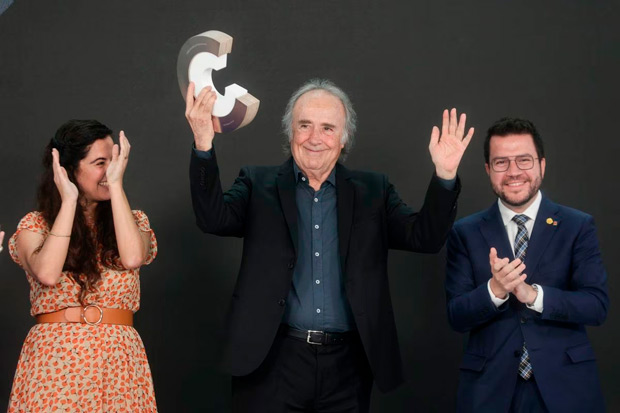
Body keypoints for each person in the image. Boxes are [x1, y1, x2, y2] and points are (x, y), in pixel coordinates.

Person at [186, 78, 473, 411]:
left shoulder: (373, 190)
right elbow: (213, 219)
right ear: (290, 132)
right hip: (270, 361)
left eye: (327, 128)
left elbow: (424, 238)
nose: (314, 138)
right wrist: (203, 145)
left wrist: (445, 176)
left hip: (348, 365)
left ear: (344, 137)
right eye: (304, 125)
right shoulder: (256, 183)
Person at [445, 118, 608, 412]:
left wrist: (533, 295)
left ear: (541, 165)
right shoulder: (465, 232)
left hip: (566, 388)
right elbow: (456, 317)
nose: (513, 172)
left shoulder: (577, 226)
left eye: (524, 160)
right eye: (501, 163)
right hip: (489, 392)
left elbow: (596, 306)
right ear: (488, 170)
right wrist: (495, 290)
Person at [7, 120, 158, 412]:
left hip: (119, 364)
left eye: (114, 162)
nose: (110, 170)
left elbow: (133, 258)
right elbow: (48, 273)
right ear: (68, 169)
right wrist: (69, 201)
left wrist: (115, 184)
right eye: (100, 163)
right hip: (55, 365)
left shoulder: (134, 220)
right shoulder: (35, 225)